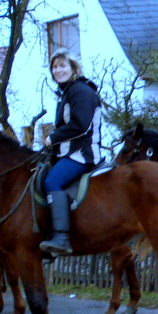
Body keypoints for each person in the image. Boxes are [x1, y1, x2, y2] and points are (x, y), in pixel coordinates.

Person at [39, 49, 104, 256]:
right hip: (67, 153)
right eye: (55, 67)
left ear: (73, 68)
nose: (58, 70)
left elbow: (80, 125)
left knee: (51, 182)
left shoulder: (80, 91)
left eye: (62, 65)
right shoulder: (67, 92)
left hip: (81, 153)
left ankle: (61, 237)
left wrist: (52, 137)